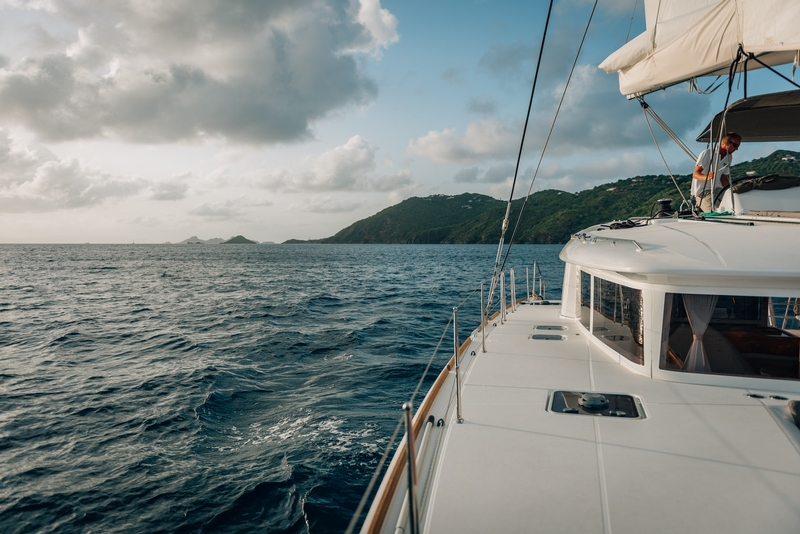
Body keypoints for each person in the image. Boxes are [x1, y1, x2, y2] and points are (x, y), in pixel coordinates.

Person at [692, 132, 741, 212]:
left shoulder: (729, 157)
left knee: (734, 208)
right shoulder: (707, 153)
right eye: (735, 145)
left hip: (718, 189)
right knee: (715, 212)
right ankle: (701, 204)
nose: (737, 149)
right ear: (726, 143)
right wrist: (707, 177)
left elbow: (723, 178)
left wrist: (732, 191)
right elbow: (695, 174)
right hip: (703, 191)